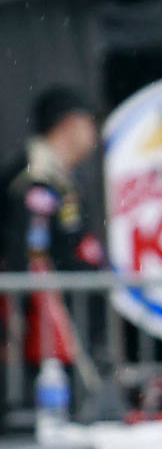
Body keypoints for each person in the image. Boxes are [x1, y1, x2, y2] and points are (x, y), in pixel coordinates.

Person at [2, 84, 104, 418]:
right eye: (89, 123)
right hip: (44, 324)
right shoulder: (36, 175)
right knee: (49, 410)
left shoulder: (61, 176)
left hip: (66, 320)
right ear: (69, 124)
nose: (93, 133)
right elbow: (29, 256)